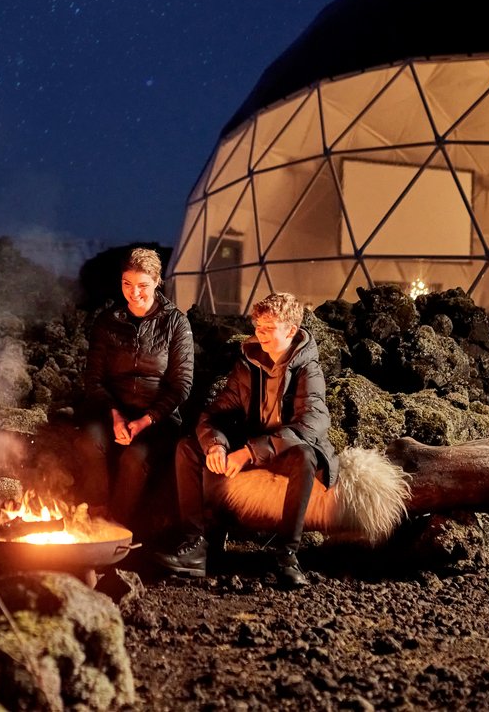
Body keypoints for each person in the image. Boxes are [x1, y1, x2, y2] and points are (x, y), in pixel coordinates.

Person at [155, 292, 338, 587]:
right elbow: (214, 413)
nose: (260, 334)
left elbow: (312, 424)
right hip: (255, 443)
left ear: (291, 330)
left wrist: (250, 453)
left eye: (269, 328)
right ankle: (195, 545)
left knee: (305, 457)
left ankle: (286, 556)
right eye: (257, 327)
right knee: (187, 448)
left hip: (287, 449)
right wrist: (215, 443)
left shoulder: (308, 368)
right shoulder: (249, 362)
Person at [74, 247, 193, 528]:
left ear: (156, 281)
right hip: (111, 409)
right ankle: (96, 514)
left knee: (134, 459)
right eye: (127, 284)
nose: (134, 292)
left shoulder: (176, 323)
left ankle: (117, 527)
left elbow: (181, 385)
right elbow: (94, 379)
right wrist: (115, 415)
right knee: (89, 443)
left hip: (157, 418)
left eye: (142, 285)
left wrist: (144, 421)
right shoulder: (108, 322)